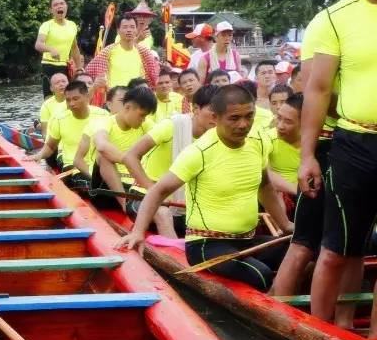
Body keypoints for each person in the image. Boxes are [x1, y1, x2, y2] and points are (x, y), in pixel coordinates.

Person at [119, 84, 292, 291]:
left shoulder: (258, 141)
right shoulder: (198, 152)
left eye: (249, 116)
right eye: (234, 118)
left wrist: (286, 224)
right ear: (216, 117)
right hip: (206, 245)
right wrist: (138, 232)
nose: (243, 124)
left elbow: (265, 186)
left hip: (247, 240)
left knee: (299, 251)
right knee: (261, 275)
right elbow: (158, 191)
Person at [298, 0, 377, 329]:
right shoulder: (335, 18)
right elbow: (318, 89)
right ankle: (318, 336)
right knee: (334, 250)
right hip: (352, 144)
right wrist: (307, 155)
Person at [124, 84, 221, 240]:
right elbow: (130, 156)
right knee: (163, 213)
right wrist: (152, 190)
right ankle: (177, 260)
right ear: (196, 109)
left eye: (221, 110)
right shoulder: (173, 125)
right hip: (143, 200)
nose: (217, 115)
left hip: (182, 206)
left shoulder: (217, 137)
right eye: (212, 109)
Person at [90, 84, 158, 207]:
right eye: (142, 115)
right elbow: (101, 145)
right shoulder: (104, 122)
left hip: (133, 186)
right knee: (103, 155)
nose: (143, 119)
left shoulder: (146, 124)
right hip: (105, 189)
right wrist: (129, 161)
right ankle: (124, 205)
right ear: (127, 107)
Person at [35, 79, 108, 173]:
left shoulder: (104, 115)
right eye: (68, 100)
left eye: (75, 99)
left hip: (98, 165)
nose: (71, 104)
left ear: (87, 97)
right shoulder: (59, 119)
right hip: (72, 166)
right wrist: (39, 156)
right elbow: (50, 147)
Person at [85, 17, 160, 91]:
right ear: (118, 31)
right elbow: (89, 71)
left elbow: (154, 76)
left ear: (136, 30)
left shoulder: (144, 52)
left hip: (137, 97)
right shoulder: (108, 51)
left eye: (132, 27)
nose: (129, 30)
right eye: (125, 27)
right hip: (115, 96)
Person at [74, 85, 126, 179]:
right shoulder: (93, 125)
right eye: (122, 101)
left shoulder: (140, 124)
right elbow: (78, 160)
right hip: (104, 181)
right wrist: (93, 178)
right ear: (109, 104)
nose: (127, 105)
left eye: (129, 101)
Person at [36, 0, 83, 96]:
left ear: (66, 7)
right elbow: (38, 44)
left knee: (68, 97)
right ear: (51, 10)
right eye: (55, 5)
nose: (59, 6)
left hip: (65, 66)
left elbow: (74, 48)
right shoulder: (46, 25)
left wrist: (79, 68)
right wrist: (50, 49)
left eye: (62, 4)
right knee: (50, 98)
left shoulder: (72, 25)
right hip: (49, 66)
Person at [264, 93, 304, 197]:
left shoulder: (318, 142)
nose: (280, 126)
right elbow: (263, 172)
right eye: (279, 117)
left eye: (288, 121)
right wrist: (298, 191)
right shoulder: (267, 138)